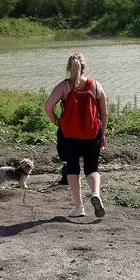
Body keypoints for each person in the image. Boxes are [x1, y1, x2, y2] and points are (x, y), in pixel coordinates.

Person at [44, 51, 108, 218]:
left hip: (69, 135)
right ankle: (95, 194)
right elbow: (104, 113)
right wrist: (102, 133)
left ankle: (79, 208)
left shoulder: (64, 86)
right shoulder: (95, 86)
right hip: (92, 134)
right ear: (84, 67)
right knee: (92, 168)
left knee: (73, 168)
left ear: (68, 68)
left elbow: (48, 106)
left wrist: (57, 121)